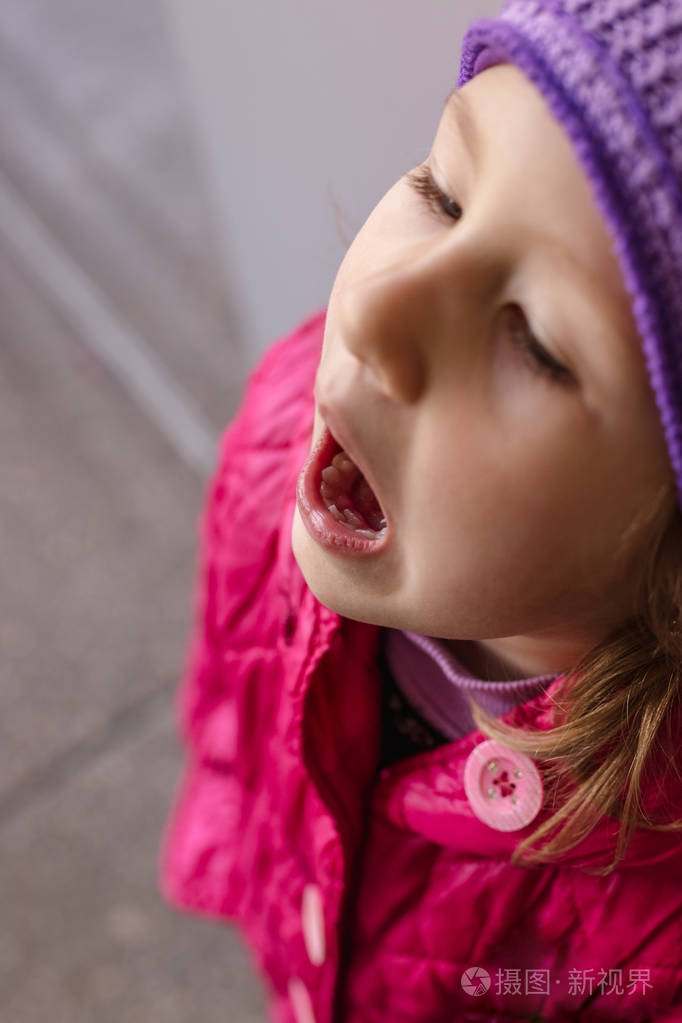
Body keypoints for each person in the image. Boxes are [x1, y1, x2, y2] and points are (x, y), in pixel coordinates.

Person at [159, 1, 682, 1020]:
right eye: (442, 193)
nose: (370, 309)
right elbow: (237, 701)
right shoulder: (282, 434)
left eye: (534, 340)